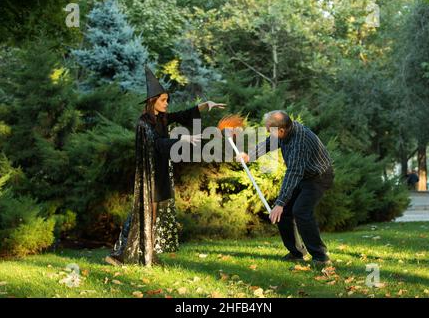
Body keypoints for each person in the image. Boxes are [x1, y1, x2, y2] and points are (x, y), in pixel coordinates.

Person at [105, 66, 225, 266]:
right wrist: (184, 139)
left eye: (167, 100)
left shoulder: (161, 118)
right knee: (142, 212)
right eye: (163, 100)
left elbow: (182, 115)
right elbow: (156, 145)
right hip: (149, 173)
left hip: (159, 171)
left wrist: (205, 105)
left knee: (153, 213)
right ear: (153, 101)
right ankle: (119, 254)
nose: (166, 103)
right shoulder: (143, 123)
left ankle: (146, 253)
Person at [238, 110, 334, 266]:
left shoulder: (299, 141)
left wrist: (281, 202)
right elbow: (270, 142)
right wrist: (250, 155)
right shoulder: (285, 131)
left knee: (301, 211)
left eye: (270, 130)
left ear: (281, 130)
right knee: (283, 213)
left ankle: (321, 257)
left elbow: (294, 172)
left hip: (318, 177)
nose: (269, 133)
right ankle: (296, 253)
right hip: (303, 175)